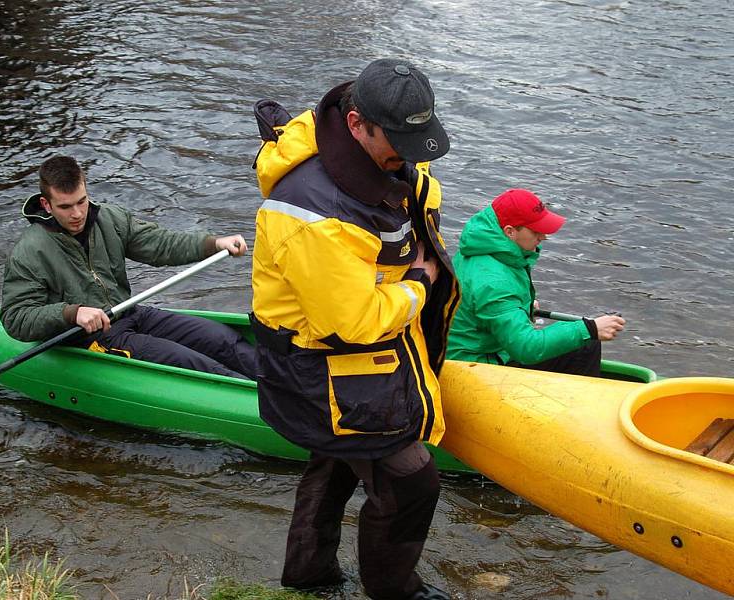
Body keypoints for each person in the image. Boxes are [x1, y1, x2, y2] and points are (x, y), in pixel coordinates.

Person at [249, 59, 460, 600]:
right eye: (400, 142)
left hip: (364, 358)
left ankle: (308, 577)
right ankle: (395, 592)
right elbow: (353, 323)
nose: (411, 156)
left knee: (334, 463)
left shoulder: (385, 155)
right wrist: (419, 283)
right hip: (322, 364)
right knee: (413, 480)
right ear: (356, 123)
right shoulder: (307, 211)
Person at [0, 155, 256, 380]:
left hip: (129, 313)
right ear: (46, 205)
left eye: (82, 201)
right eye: (65, 207)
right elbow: (15, 317)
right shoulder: (30, 251)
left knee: (221, 338)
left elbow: (160, 244)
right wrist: (71, 313)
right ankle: (263, 403)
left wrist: (213, 244)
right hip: (91, 338)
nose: (77, 214)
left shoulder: (110, 219)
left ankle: (288, 387)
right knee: (193, 363)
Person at [446, 188, 626, 376]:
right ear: (510, 232)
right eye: (536, 231)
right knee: (588, 343)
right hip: (471, 367)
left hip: (477, 348)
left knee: (582, 342)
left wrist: (520, 307)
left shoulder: (480, 249)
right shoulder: (494, 282)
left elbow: (482, 304)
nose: (543, 237)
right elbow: (526, 348)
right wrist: (591, 328)